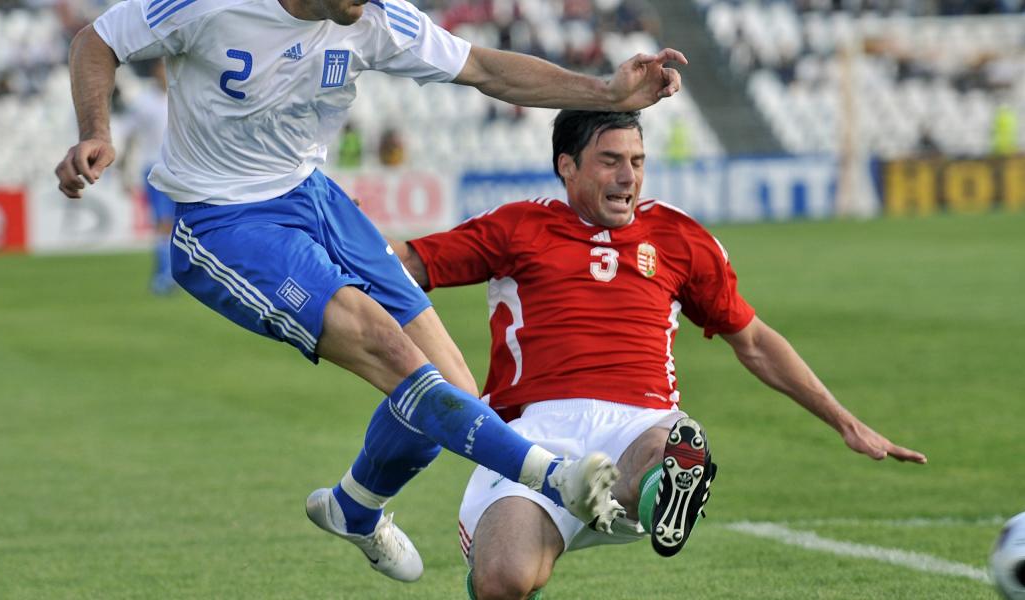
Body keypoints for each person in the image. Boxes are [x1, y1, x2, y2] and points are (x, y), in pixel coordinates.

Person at [53, 0, 689, 584]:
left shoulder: (374, 17)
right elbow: (97, 39)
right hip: (228, 218)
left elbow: (485, 69)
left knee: (452, 386)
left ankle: (354, 508)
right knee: (388, 349)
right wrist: (96, 132)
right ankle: (551, 476)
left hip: (316, 198)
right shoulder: (213, 4)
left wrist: (603, 90)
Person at [391, 110, 928, 600]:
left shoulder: (678, 237)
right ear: (567, 166)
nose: (628, 177)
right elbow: (407, 264)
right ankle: (565, 509)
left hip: (639, 421)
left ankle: (654, 488)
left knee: (672, 447)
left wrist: (844, 421)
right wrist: (328, 244)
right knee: (503, 582)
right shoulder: (516, 227)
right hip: (530, 433)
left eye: (637, 161)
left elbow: (756, 342)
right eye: (610, 161)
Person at [116, 58, 176, 294]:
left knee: (176, 225)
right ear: (154, 72)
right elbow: (129, 136)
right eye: (163, 68)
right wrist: (123, 170)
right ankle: (164, 276)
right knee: (163, 224)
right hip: (154, 169)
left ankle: (170, 273)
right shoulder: (142, 102)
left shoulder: (180, 96)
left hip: (182, 169)